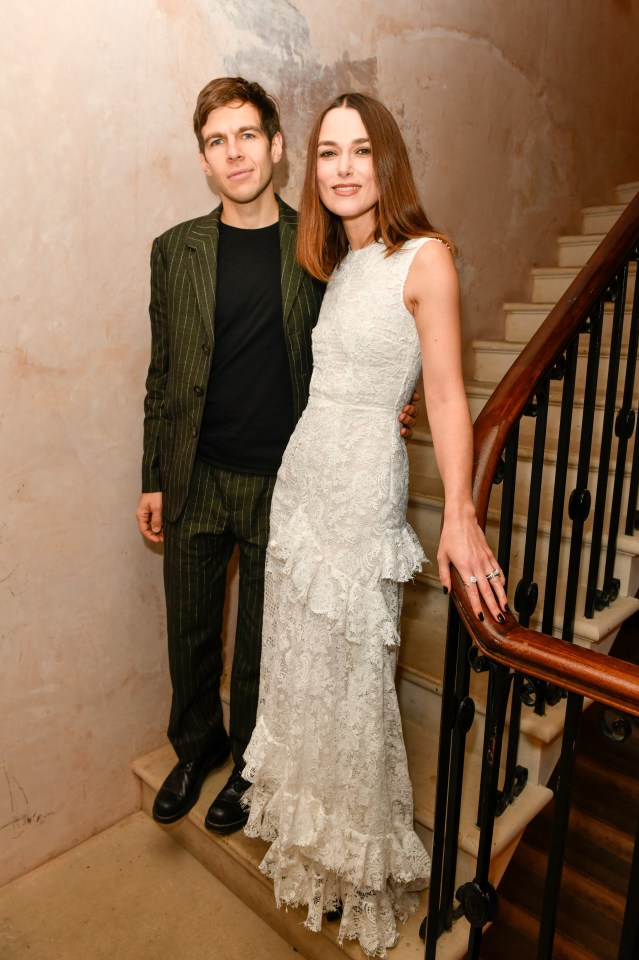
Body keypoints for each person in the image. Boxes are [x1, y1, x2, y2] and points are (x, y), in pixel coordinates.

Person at [241, 93, 508, 957]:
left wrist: (459, 510)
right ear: (311, 169)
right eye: (327, 152)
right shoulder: (339, 265)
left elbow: (442, 394)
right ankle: (312, 853)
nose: (343, 167)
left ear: (385, 161)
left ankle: (354, 871)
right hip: (303, 482)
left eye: (360, 150)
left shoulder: (424, 258)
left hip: (359, 495)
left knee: (353, 686)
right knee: (301, 671)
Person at [135, 78, 418, 835]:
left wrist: (393, 399)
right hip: (194, 476)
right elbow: (162, 375)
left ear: (277, 146)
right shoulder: (174, 252)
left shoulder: (317, 247)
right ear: (203, 157)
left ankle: (254, 768)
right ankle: (197, 749)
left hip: (285, 483)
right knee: (189, 630)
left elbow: (362, 338)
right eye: (217, 141)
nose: (234, 153)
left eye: (247, 135)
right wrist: (154, 479)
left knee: (265, 641)